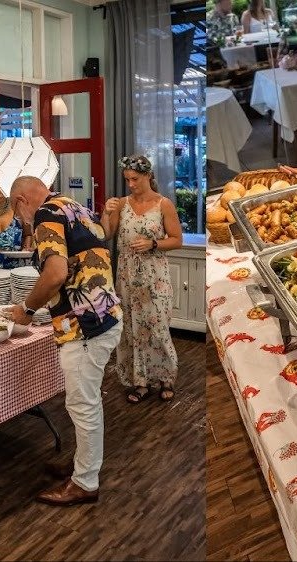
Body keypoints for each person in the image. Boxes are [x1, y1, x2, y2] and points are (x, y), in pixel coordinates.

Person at [9, 176, 124, 507]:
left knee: (82, 404)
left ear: (21, 200)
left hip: (84, 324)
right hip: (105, 313)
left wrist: (27, 309)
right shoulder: (73, 206)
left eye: (17, 212)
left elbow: (56, 274)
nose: (21, 221)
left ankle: (85, 482)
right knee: (84, 402)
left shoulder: (45, 214)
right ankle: (82, 465)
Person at [101, 155, 182, 404]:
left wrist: (153, 243)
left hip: (155, 275)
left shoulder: (163, 204)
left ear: (148, 175)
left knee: (157, 326)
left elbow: (177, 240)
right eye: (127, 179)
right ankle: (140, 381)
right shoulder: (122, 204)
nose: (131, 184)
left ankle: (166, 377)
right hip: (126, 275)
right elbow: (106, 235)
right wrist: (105, 212)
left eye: (135, 179)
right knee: (131, 328)